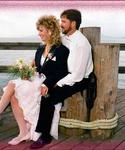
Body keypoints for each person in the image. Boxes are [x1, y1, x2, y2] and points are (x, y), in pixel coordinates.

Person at [0, 15, 69, 145]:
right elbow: (35, 67)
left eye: (41, 30)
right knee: (13, 95)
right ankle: (22, 133)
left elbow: (62, 73)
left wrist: (47, 84)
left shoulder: (61, 50)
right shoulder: (40, 48)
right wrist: (27, 73)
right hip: (35, 81)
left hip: (45, 85)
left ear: (50, 30)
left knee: (12, 84)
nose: (39, 34)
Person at [30, 9, 94, 149]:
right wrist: (35, 60)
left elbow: (77, 75)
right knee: (45, 89)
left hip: (79, 80)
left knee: (48, 97)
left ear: (73, 23)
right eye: (60, 21)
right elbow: (51, 44)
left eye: (64, 21)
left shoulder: (81, 44)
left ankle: (45, 136)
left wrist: (55, 84)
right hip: (66, 75)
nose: (61, 24)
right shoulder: (66, 37)